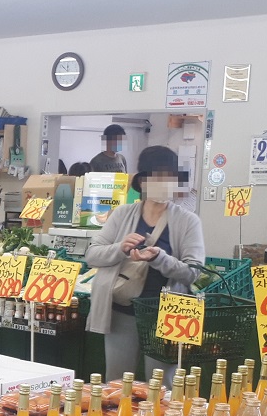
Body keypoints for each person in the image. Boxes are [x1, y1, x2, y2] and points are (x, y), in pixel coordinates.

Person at [85, 146, 204, 383]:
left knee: (161, 386)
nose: (163, 183)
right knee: (118, 384)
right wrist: (120, 248)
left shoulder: (188, 221)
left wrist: (159, 257)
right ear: (143, 181)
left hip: (167, 315)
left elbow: (194, 272)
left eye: (169, 177)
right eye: (156, 176)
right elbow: (93, 255)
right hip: (122, 311)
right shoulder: (121, 215)